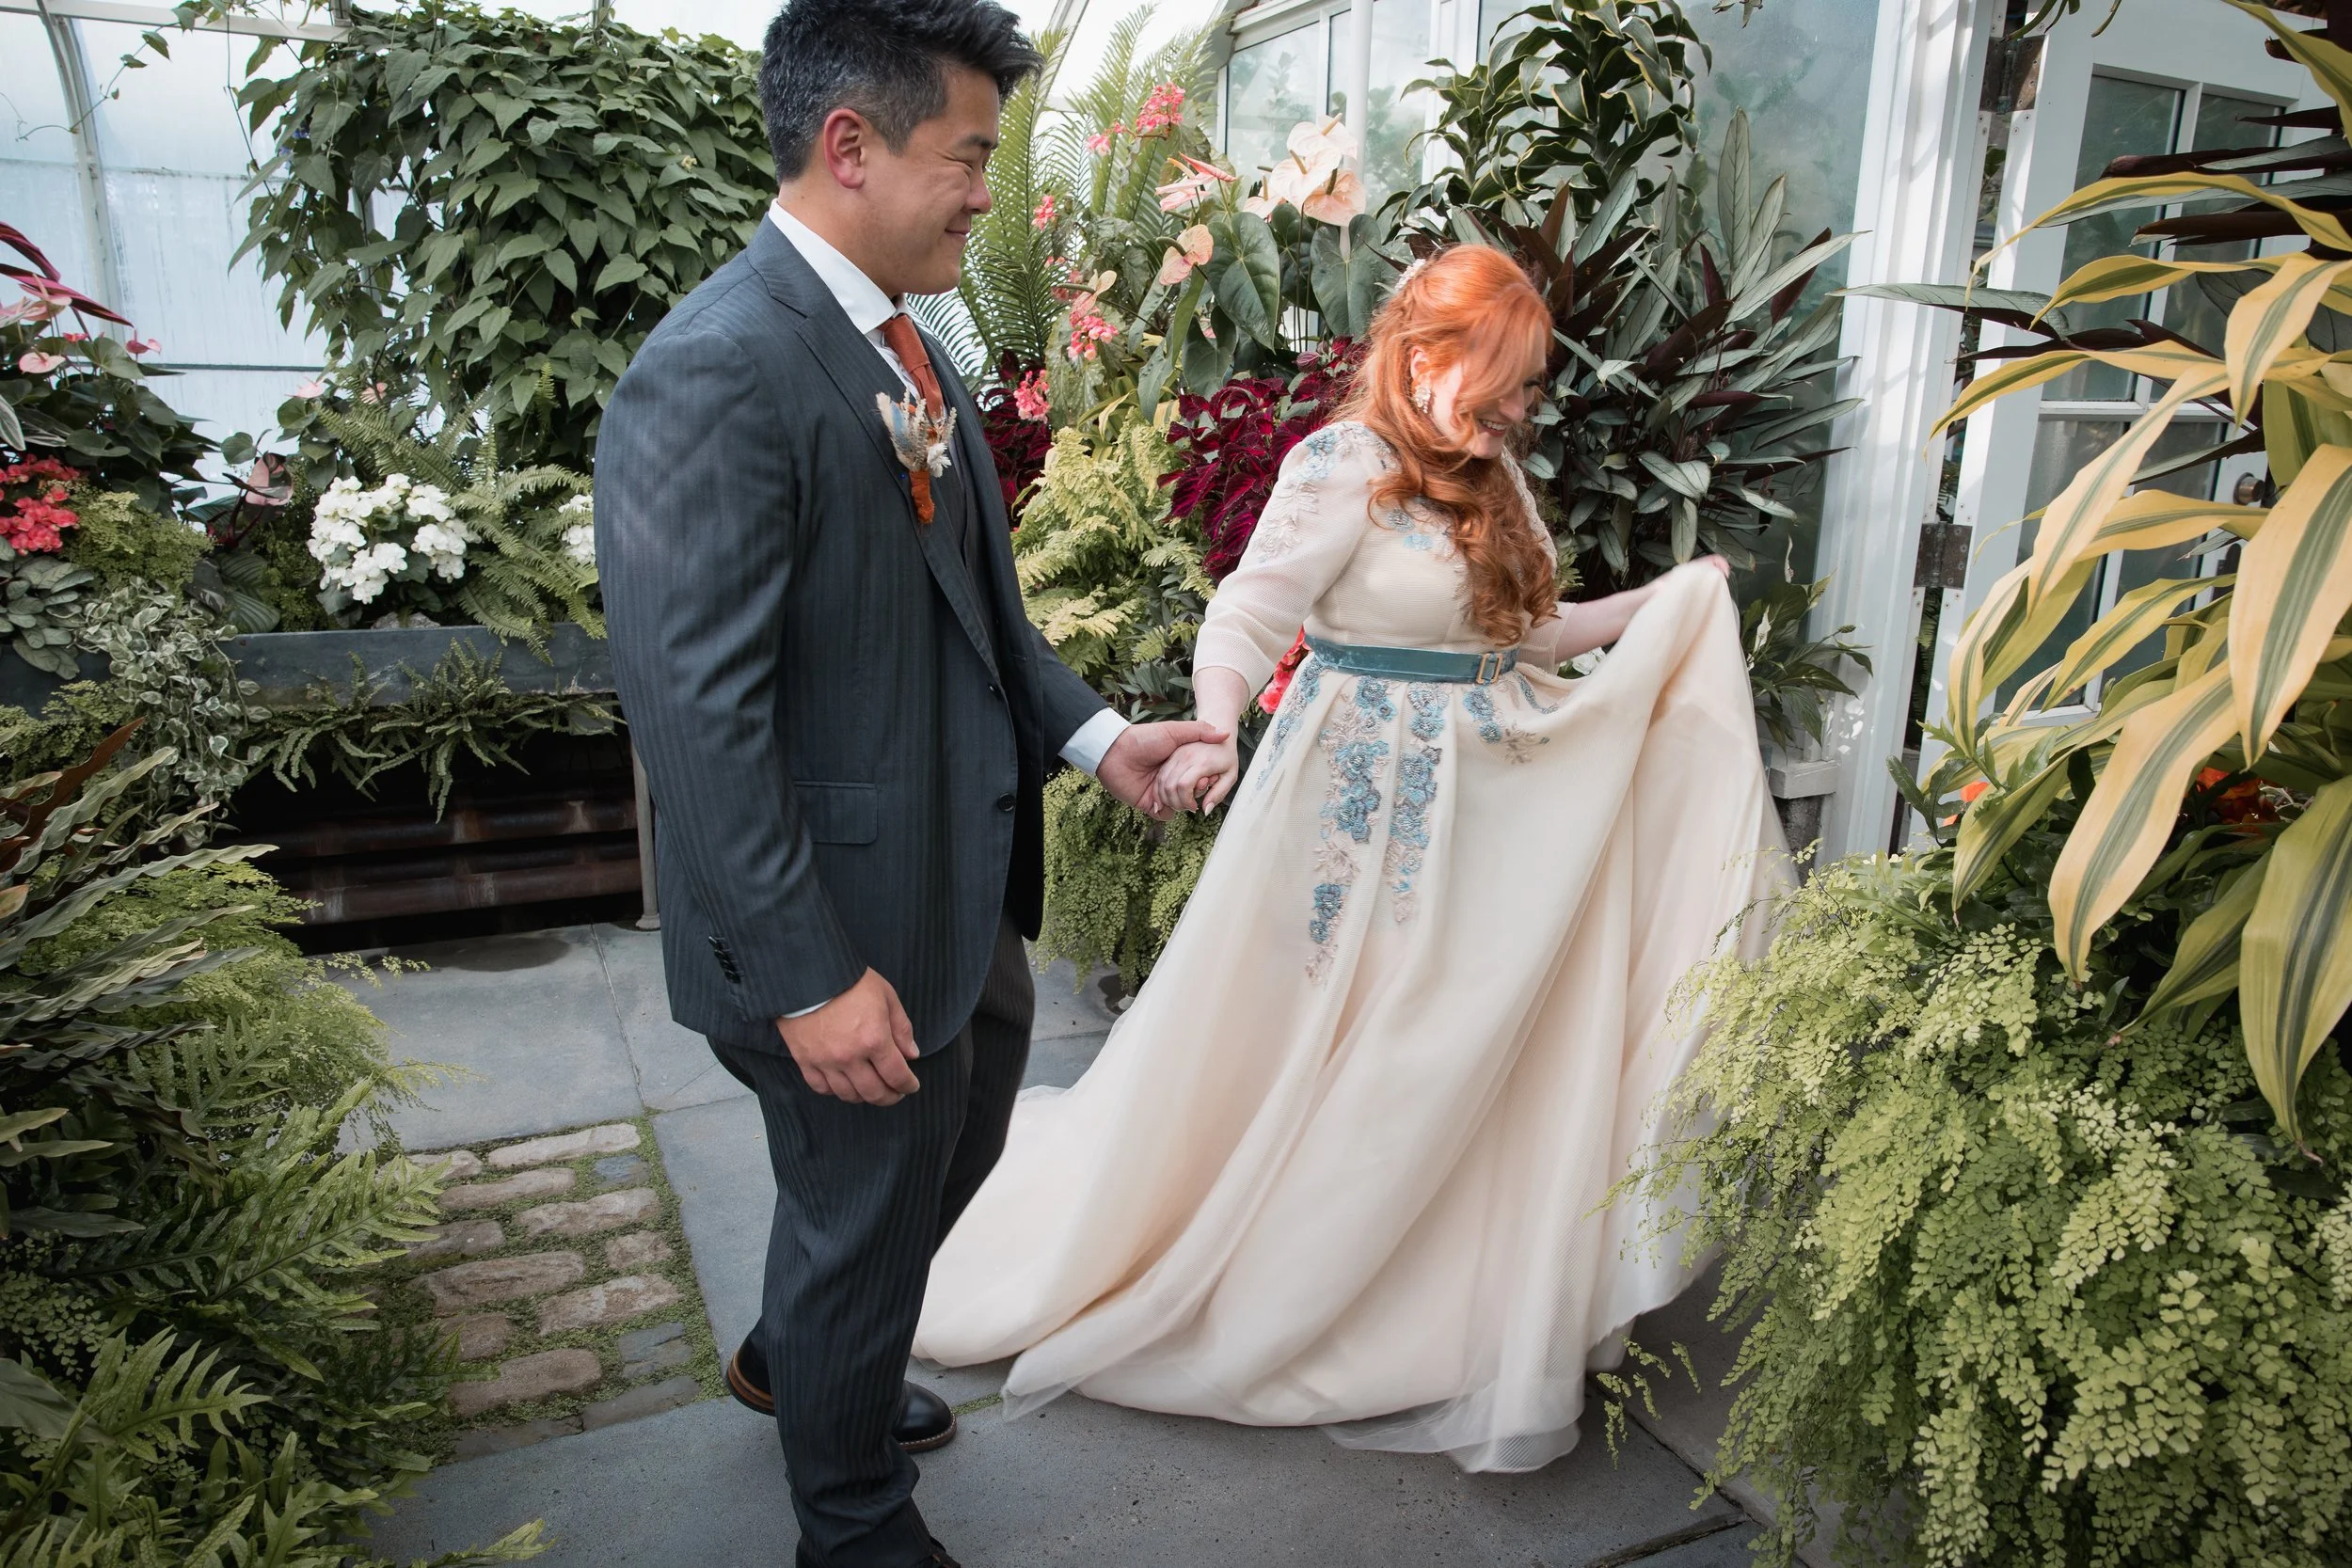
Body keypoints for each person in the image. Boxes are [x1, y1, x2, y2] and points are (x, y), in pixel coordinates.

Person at [914, 245, 1786, 1474]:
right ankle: (1288, 1280)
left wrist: (1672, 601)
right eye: (1507, 381)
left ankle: (1423, 1281)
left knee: (1450, 1043)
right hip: (1347, 813)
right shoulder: (1345, 467)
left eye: (1530, 389)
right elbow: (1249, 612)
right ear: (1429, 359)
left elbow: (1535, 633)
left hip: (1486, 805)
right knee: (1337, 1037)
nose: (1521, 410)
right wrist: (1215, 721)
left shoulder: (1494, 485)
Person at [594, 2, 1220, 1563]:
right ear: (849, 146)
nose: (986, 196)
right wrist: (808, 976)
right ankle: (853, 1510)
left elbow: (980, 619)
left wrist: (1095, 738)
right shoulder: (719, 368)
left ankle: (802, 1355)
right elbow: (696, 716)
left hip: (954, 889)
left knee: (952, 1151)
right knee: (860, 1208)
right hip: (832, 921)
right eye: (971, 157)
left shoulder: (903, 340)